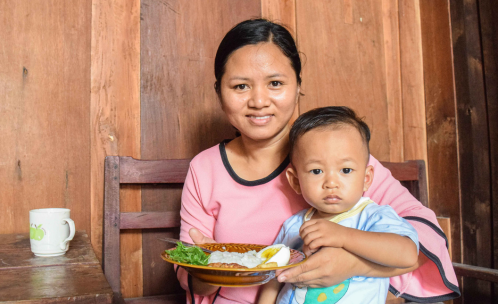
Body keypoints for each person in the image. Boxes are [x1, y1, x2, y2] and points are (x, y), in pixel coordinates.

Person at [178, 19, 459, 304]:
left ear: (299, 85)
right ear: (219, 93)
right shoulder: (205, 169)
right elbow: (192, 279)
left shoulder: (332, 155)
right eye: (240, 86)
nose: (259, 101)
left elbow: (420, 235)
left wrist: (352, 264)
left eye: (275, 83)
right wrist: (208, 267)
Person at [258, 106, 420, 304]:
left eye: (346, 170)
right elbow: (273, 277)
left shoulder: (372, 216)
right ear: (296, 181)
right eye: (317, 171)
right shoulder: (293, 226)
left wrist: (343, 236)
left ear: (367, 178)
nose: (331, 183)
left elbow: (408, 254)